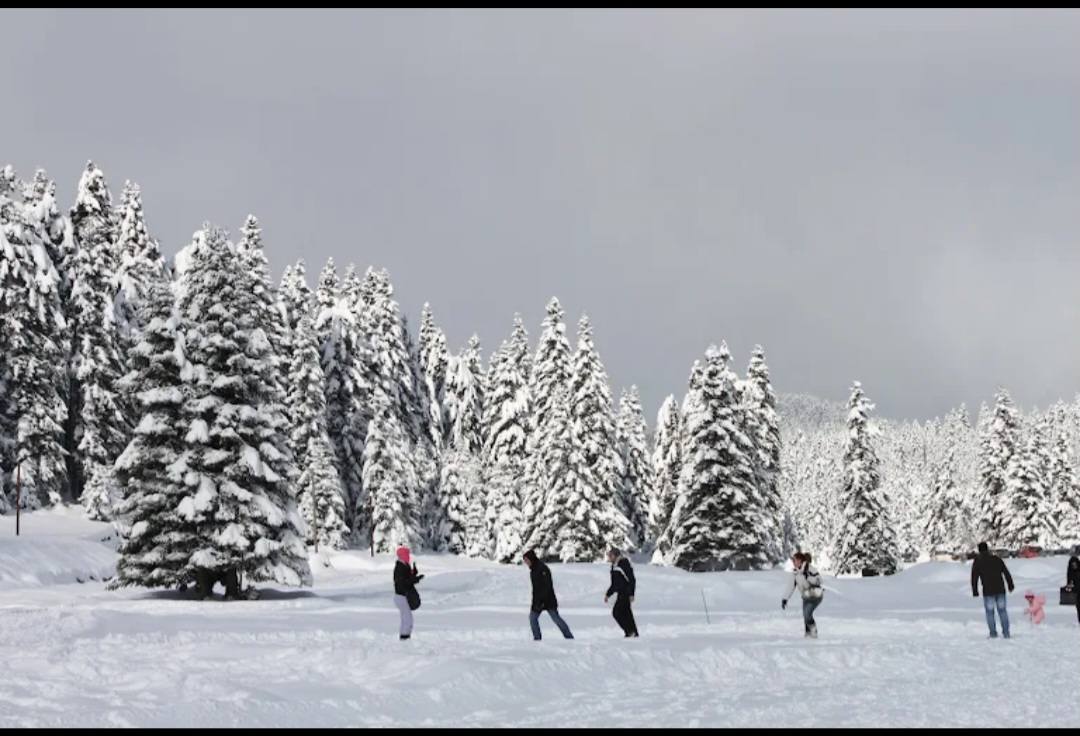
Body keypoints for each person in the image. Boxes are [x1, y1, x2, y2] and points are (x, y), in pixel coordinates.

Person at [522, 549, 574, 641]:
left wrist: (542, 601)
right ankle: (537, 639)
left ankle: (569, 637)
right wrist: (535, 603)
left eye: (526, 560)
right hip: (538, 601)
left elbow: (547, 586)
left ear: (531, 559)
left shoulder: (543, 568)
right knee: (532, 618)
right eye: (525, 561)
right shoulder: (533, 571)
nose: (526, 562)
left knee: (556, 619)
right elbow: (535, 590)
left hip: (548, 600)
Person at [971, 541, 1014, 639]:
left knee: (990, 613)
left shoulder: (978, 561)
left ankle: (993, 633)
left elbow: (974, 577)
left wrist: (975, 590)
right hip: (1000, 589)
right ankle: (1006, 633)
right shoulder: (996, 559)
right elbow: (1006, 572)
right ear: (988, 549)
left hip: (988, 591)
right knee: (1002, 611)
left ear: (979, 550)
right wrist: (1010, 585)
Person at [781, 551, 825, 638]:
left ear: (800, 560)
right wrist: (785, 599)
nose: (793, 562)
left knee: (807, 614)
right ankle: (808, 635)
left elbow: (819, 580)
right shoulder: (795, 573)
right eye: (793, 560)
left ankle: (813, 632)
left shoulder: (810, 568)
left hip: (815, 596)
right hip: (806, 596)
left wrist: (808, 576)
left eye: (795, 560)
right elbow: (790, 587)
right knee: (806, 616)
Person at [604, 547, 639, 638]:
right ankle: (633, 633)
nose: (609, 558)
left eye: (610, 556)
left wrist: (631, 593)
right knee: (627, 614)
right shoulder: (614, 566)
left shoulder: (623, 564)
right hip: (620, 593)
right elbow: (614, 584)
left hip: (626, 593)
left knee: (617, 613)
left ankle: (629, 632)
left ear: (616, 556)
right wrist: (608, 594)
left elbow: (632, 580)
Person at [393, 546, 423, 640]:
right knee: (407, 618)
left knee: (407, 617)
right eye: (407, 554)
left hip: (403, 596)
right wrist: (414, 579)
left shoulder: (405, 565)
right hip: (401, 596)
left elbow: (408, 578)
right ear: (402, 555)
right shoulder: (399, 567)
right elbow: (403, 582)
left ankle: (405, 635)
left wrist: (414, 573)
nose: (408, 556)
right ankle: (404, 637)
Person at [1066, 556, 1080, 625]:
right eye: (1072, 564)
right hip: (1076, 592)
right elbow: (1069, 582)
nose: (1074, 566)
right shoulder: (1070, 572)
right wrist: (1069, 585)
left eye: (1075, 564)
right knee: (1078, 608)